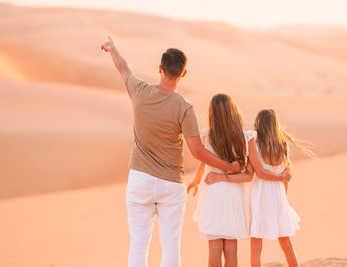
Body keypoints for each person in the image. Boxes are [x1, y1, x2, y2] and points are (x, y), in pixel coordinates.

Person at [101, 37, 240, 267]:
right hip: (171, 184)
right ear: (183, 74)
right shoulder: (184, 107)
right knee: (171, 245)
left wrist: (112, 48)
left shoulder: (139, 91)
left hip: (140, 180)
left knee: (138, 244)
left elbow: (123, 67)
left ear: (160, 69)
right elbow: (197, 151)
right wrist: (229, 167)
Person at [187, 95, 291, 267]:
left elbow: (204, 160)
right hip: (234, 193)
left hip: (212, 191)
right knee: (231, 247)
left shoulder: (207, 135)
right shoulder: (246, 137)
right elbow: (249, 175)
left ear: (212, 114)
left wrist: (196, 181)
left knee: (214, 246)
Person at [247, 109, 314, 267]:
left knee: (256, 246)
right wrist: (283, 197)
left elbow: (261, 173)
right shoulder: (283, 145)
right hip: (278, 196)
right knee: (286, 243)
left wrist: (282, 180)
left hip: (260, 195)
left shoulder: (254, 142)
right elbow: (286, 176)